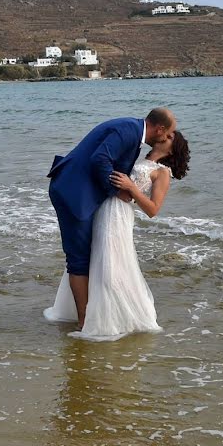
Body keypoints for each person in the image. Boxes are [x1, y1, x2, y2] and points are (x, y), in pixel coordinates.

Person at [45, 130, 191, 341]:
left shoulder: (162, 173)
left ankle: (111, 318)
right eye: (166, 134)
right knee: (90, 259)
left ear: (172, 148)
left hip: (118, 215)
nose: (165, 137)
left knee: (111, 264)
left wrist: (132, 187)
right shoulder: (137, 155)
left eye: (170, 138)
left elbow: (152, 210)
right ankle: (84, 313)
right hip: (100, 206)